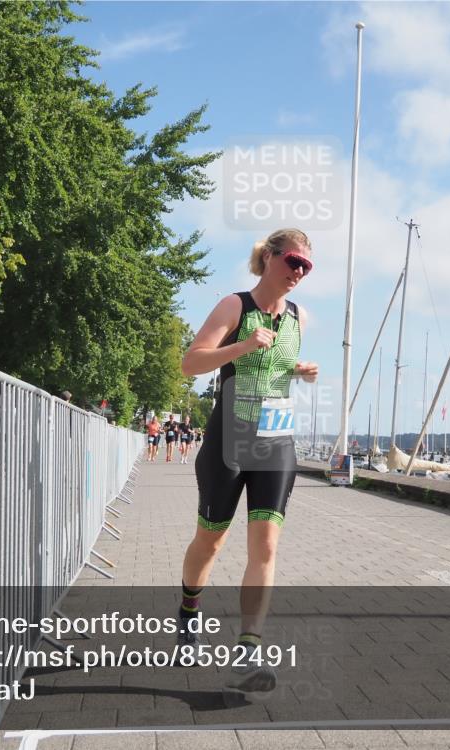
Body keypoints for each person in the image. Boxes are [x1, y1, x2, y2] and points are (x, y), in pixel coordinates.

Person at [175, 228, 319, 695]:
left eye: (306, 267)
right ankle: (188, 611)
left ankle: (248, 649)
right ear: (270, 257)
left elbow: (276, 368)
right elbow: (190, 363)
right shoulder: (235, 306)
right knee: (210, 542)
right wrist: (242, 346)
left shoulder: (298, 316)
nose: (298, 272)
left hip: (275, 441)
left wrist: (299, 370)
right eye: (293, 261)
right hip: (229, 439)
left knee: (267, 547)